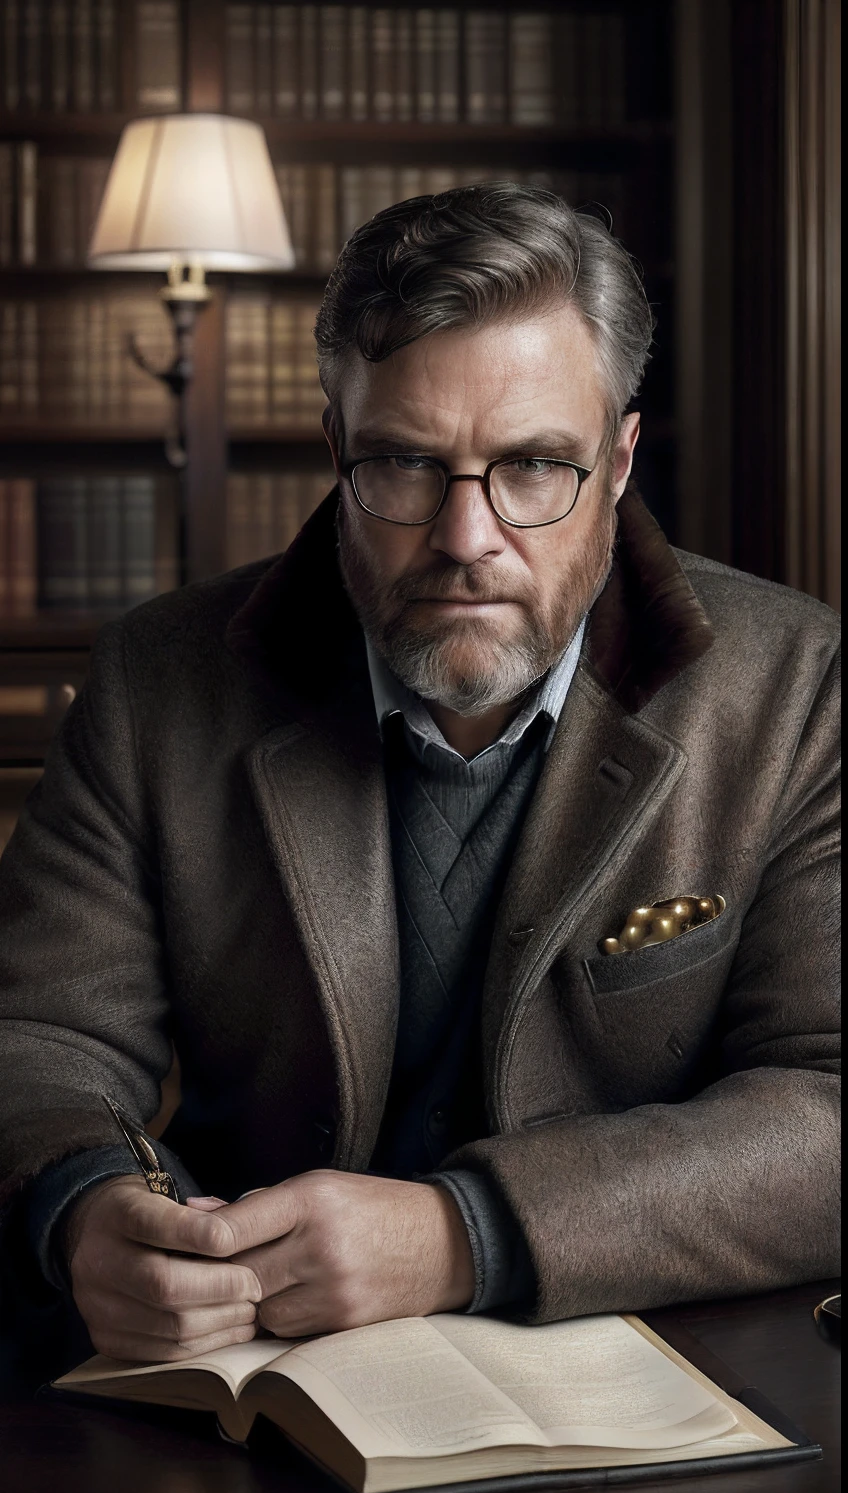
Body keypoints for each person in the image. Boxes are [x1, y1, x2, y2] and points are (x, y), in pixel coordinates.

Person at [0, 184, 840, 1366]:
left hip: (646, 1377)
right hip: (245, 1379)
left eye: (535, 466)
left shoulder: (794, 686)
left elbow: (829, 1107)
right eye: (404, 463)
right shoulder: (157, 680)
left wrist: (466, 1234)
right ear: (336, 449)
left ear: (618, 462)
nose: (465, 538)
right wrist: (82, 1206)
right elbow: (37, 1035)